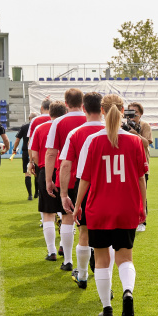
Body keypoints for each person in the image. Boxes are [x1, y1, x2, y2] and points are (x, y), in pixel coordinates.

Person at [73, 93, 147, 316]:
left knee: (103, 259)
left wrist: (77, 206)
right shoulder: (135, 141)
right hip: (126, 207)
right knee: (125, 257)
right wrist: (142, 207)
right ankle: (127, 291)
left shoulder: (93, 141)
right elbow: (141, 178)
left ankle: (107, 308)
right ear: (123, 110)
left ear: (103, 111)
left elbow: (84, 179)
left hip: (99, 208)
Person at [59, 92, 104, 289]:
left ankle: (83, 275)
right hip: (109, 184)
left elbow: (66, 165)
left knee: (83, 231)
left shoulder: (76, 133)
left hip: (84, 186)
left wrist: (63, 194)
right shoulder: (112, 130)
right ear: (102, 109)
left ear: (84, 109)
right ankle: (106, 281)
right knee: (106, 234)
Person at [45, 88, 86, 271]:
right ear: (82, 103)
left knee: (67, 218)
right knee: (88, 221)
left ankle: (68, 260)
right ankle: (89, 262)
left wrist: (48, 179)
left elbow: (51, 153)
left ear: (66, 103)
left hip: (67, 175)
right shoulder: (91, 120)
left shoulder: (58, 122)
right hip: (89, 177)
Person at [30, 100, 67, 260]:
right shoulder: (68, 128)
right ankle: (64, 248)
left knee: (48, 213)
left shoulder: (40, 128)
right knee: (67, 213)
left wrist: (38, 168)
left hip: (46, 169)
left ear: (49, 112)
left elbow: (34, 153)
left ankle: (51, 251)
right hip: (66, 169)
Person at [127, 102, 153, 232]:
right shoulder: (124, 125)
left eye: (135, 113)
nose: (132, 116)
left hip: (142, 163)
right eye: (130, 112)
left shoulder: (144, 125)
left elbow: (146, 143)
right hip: (128, 164)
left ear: (141, 114)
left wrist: (135, 134)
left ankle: (142, 221)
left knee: (142, 193)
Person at [27, 99, 52, 200]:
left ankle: (46, 213)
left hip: (40, 159)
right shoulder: (57, 119)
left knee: (43, 187)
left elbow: (30, 143)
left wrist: (31, 161)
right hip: (56, 159)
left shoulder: (35, 120)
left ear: (41, 108)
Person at [11, 112, 38, 200]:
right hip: (37, 151)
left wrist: (14, 149)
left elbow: (17, 140)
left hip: (26, 151)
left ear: (29, 118)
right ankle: (37, 193)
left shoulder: (24, 127)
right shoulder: (39, 126)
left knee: (27, 173)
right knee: (37, 172)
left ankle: (29, 195)